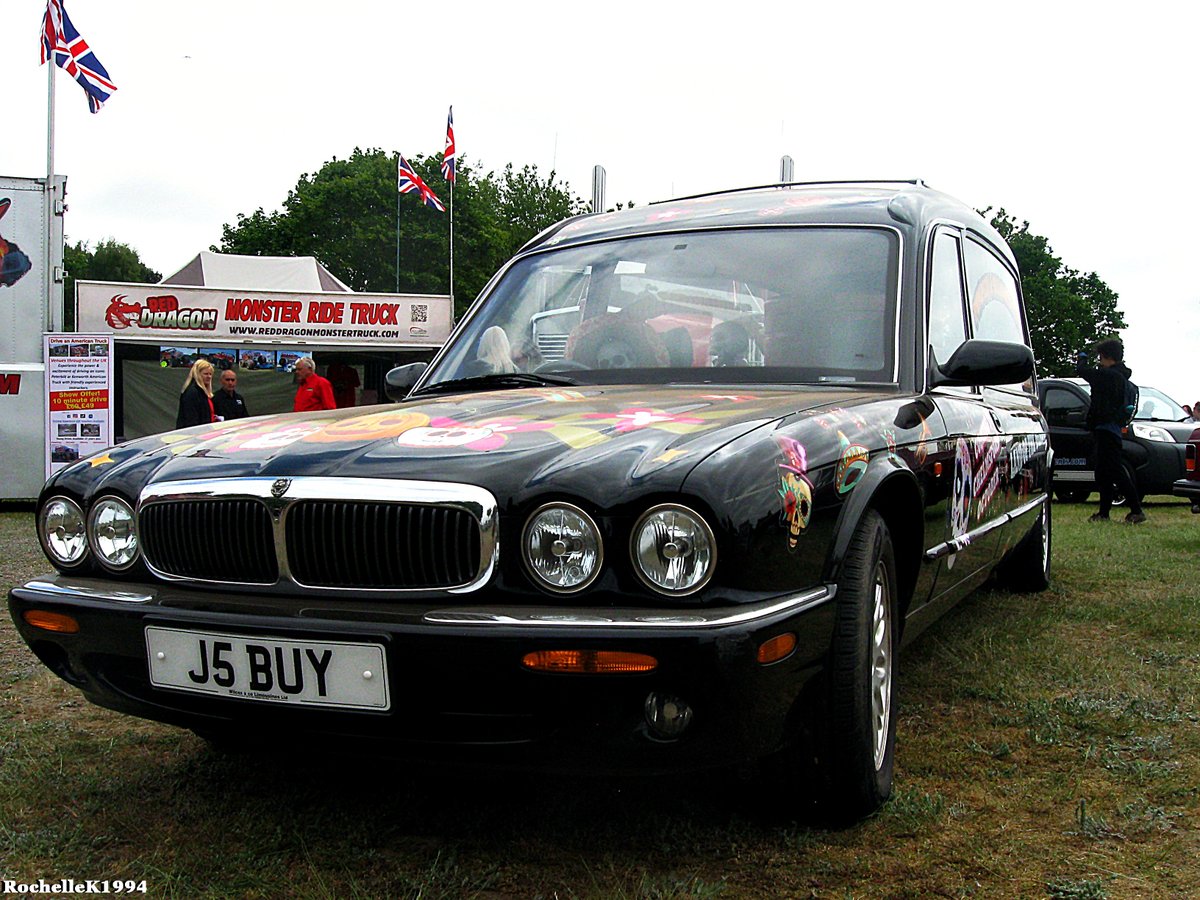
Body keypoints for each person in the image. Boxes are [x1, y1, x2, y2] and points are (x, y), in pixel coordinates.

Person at [1076, 338, 1145, 524]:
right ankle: (1104, 512)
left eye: (1100, 357)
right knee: (1104, 472)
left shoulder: (1108, 376)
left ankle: (1136, 510)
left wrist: (1082, 357)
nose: (1099, 361)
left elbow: (1082, 371)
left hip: (1105, 429)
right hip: (1113, 429)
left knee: (1114, 471)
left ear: (1108, 357)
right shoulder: (1122, 378)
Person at [175, 359, 216, 429]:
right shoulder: (193, 393)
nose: (209, 377)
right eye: (206, 374)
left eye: (210, 374)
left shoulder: (202, 393)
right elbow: (191, 420)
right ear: (197, 374)